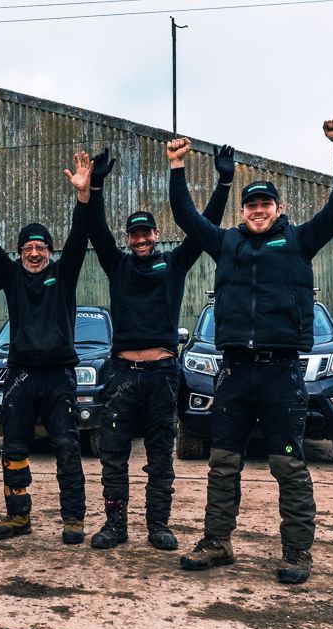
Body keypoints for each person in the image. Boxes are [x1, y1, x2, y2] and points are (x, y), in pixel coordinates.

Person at [167, 119, 333, 584]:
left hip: (281, 374)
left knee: (288, 464)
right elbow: (187, 216)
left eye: (264, 204)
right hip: (234, 373)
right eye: (251, 204)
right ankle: (217, 542)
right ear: (243, 210)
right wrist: (177, 167)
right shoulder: (225, 242)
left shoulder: (298, 241)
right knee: (223, 462)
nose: (257, 210)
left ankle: (297, 552)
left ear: (278, 208)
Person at [0, 152, 96, 544]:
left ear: (49, 250)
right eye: (26, 247)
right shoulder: (10, 275)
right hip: (20, 375)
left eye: (40, 246)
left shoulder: (64, 274)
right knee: (12, 447)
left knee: (66, 447)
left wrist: (83, 197)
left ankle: (73, 519)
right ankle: (18, 517)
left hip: (60, 373)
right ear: (20, 252)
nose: (33, 252)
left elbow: (80, 239)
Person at [85, 146, 234, 551]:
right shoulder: (116, 265)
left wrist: (223, 183)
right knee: (113, 453)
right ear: (128, 238)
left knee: (160, 456)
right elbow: (96, 229)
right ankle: (115, 524)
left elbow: (205, 227)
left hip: (162, 375)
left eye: (145, 233)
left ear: (155, 234)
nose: (140, 239)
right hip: (121, 376)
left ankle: (158, 525)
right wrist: (96, 185)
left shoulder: (175, 263)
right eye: (133, 234)